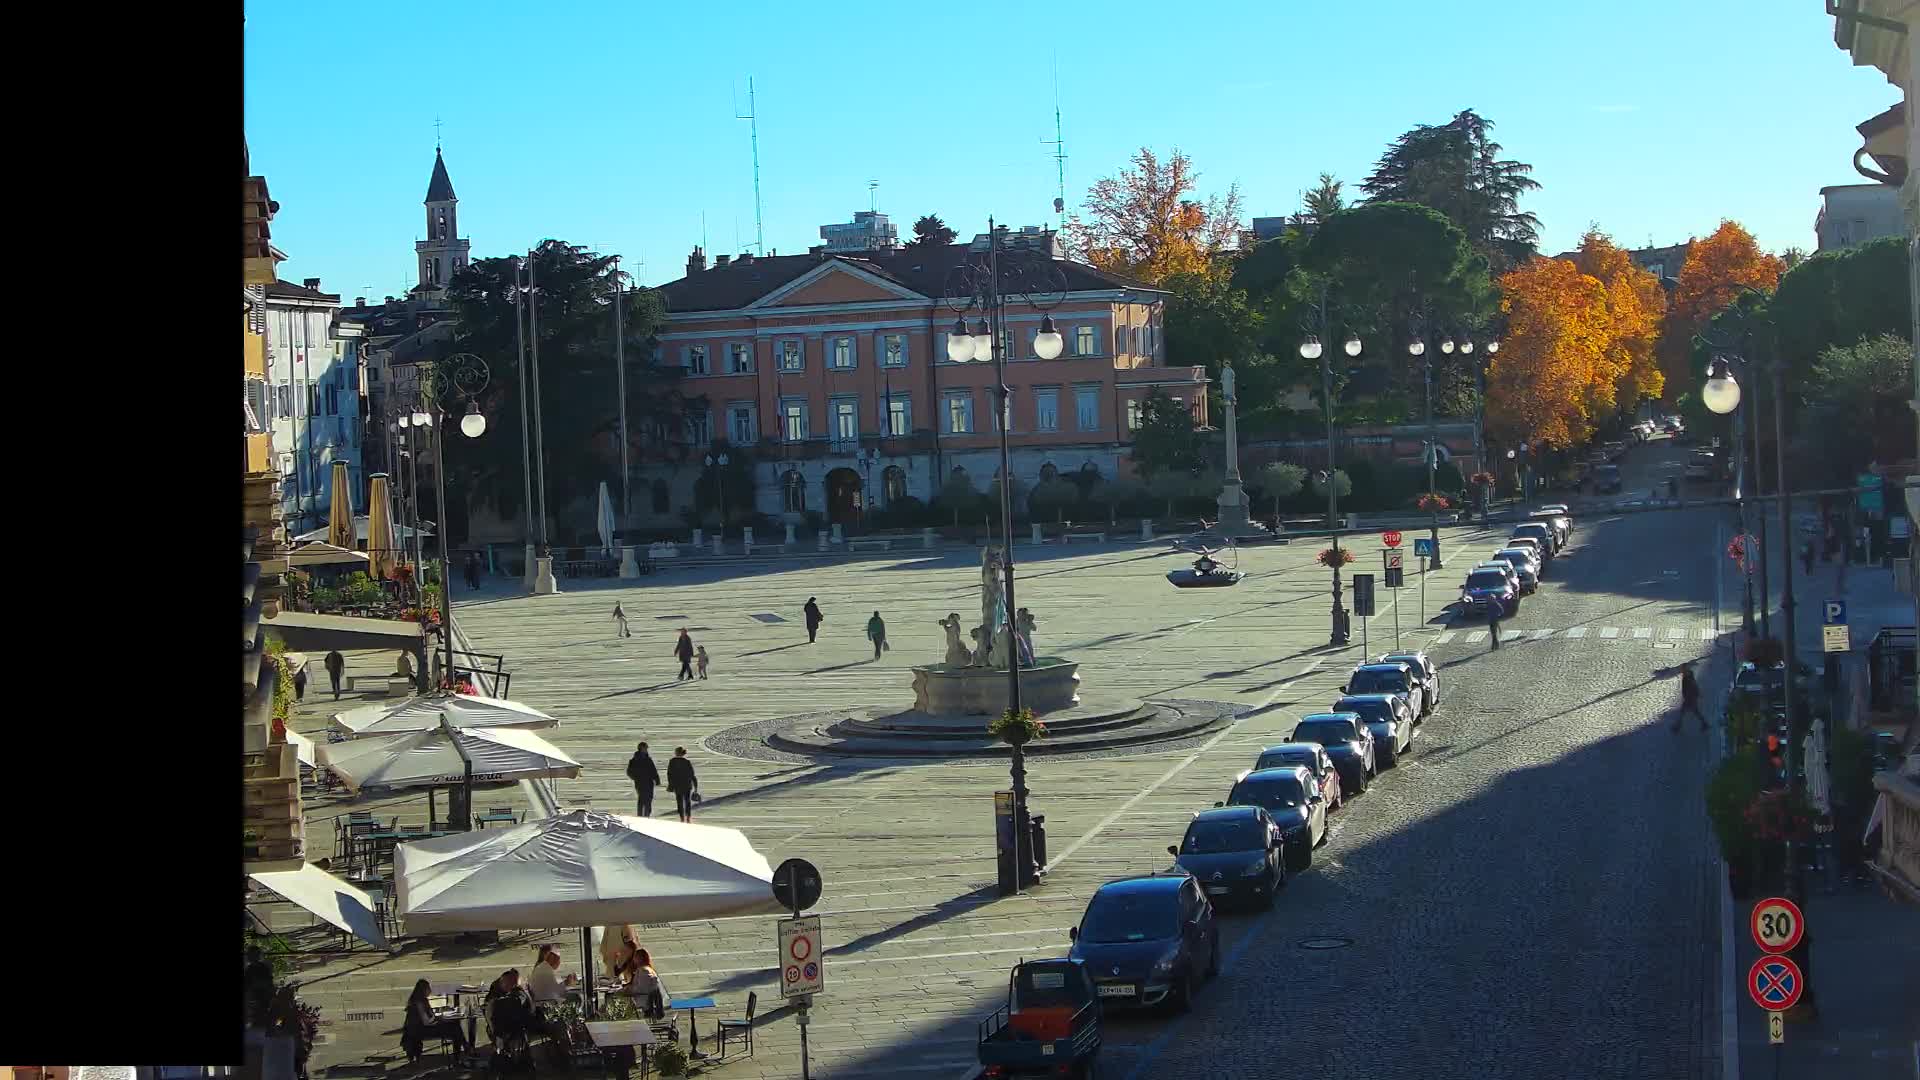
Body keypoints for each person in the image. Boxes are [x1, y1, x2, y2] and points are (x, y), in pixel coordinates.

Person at [403, 978, 472, 1061]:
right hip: (423, 1030)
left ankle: (464, 1049)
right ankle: (461, 1052)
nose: (430, 991)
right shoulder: (419, 1003)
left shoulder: (419, 1000)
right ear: (423, 990)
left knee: (455, 1025)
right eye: (428, 988)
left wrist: (439, 1015)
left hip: (423, 1027)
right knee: (455, 1029)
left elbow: (428, 1016)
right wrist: (438, 1018)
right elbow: (427, 1021)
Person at [621, 948, 670, 1020]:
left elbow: (642, 989)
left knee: (617, 997)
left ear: (639, 958)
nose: (634, 959)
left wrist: (627, 990)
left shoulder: (644, 971)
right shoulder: (647, 969)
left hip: (643, 999)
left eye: (635, 957)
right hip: (646, 997)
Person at [1672, 661, 1708, 732]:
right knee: (1692, 712)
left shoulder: (1687, 677)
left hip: (1690, 698)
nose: (1681, 671)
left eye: (1683, 669)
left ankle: (1678, 727)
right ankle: (1704, 724)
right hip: (1689, 697)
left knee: (1689, 712)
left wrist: (1691, 696)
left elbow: (1692, 687)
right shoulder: (1688, 675)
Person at [627, 741, 659, 816]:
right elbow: (629, 772)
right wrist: (636, 777)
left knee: (649, 799)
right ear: (641, 748)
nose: (646, 750)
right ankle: (640, 816)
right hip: (640, 782)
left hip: (649, 782)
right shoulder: (635, 760)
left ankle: (647, 815)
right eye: (645, 748)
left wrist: (657, 779)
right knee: (642, 799)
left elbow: (653, 770)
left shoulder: (648, 759)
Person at [667, 747, 698, 822]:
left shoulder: (672, 762)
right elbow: (692, 774)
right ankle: (688, 817)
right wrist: (695, 785)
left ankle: (682, 817)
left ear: (676, 753)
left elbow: (669, 774)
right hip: (687, 784)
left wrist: (671, 785)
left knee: (679, 801)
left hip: (677, 785)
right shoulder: (687, 762)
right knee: (687, 801)